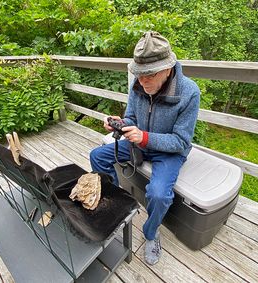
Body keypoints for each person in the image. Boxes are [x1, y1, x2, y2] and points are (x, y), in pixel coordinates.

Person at [90, 31, 200, 265]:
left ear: (168, 69)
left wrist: (144, 137)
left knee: (158, 195)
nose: (141, 81)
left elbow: (181, 141)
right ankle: (117, 208)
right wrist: (119, 124)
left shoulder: (189, 92)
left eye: (148, 75)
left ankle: (151, 233)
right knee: (97, 156)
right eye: (138, 74)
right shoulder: (138, 85)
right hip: (139, 141)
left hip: (169, 151)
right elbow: (131, 118)